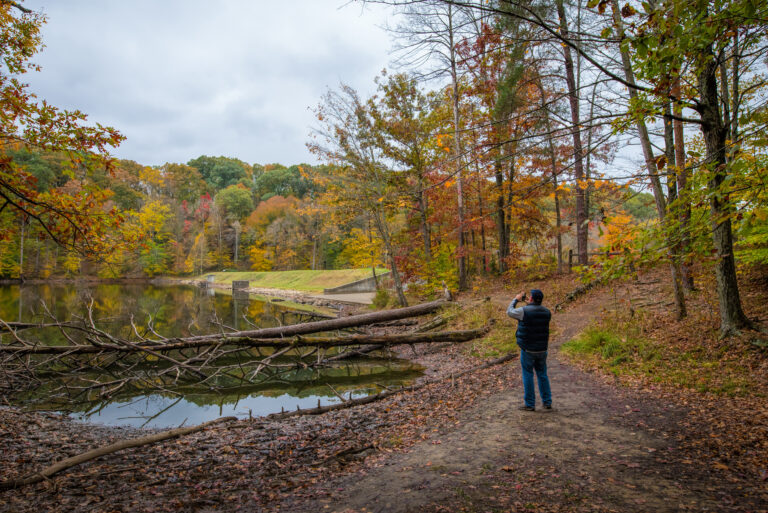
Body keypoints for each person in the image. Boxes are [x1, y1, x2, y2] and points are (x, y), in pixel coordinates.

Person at [507, 289, 552, 411]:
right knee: (542, 375)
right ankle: (547, 402)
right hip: (542, 349)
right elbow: (535, 314)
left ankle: (530, 404)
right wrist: (530, 303)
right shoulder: (547, 312)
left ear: (531, 298)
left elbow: (510, 312)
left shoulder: (524, 311)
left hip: (528, 349)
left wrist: (516, 299)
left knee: (528, 374)